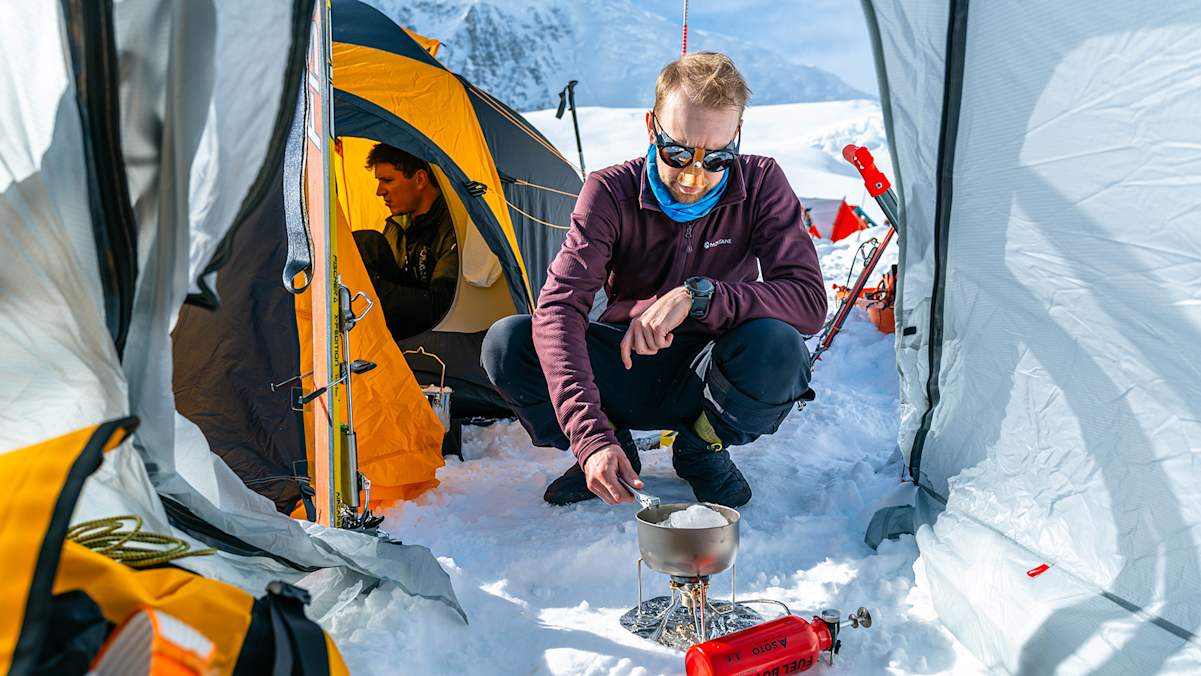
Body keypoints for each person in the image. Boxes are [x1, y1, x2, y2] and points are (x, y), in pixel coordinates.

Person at [481, 52, 825, 507]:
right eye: (677, 152)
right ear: (652, 127)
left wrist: (700, 296)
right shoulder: (609, 191)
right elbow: (561, 308)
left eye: (718, 158)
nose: (693, 176)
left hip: (713, 372)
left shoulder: (761, 182)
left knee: (780, 346)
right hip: (625, 364)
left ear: (736, 137)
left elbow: (807, 302)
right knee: (509, 342)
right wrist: (590, 437)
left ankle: (702, 448)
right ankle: (615, 447)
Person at [354, 144, 458, 340]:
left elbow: (441, 305)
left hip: (437, 325)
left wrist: (368, 291)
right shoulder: (398, 226)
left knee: (368, 243)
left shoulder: (452, 227)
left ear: (419, 179)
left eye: (387, 180)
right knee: (366, 243)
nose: (379, 191)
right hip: (402, 319)